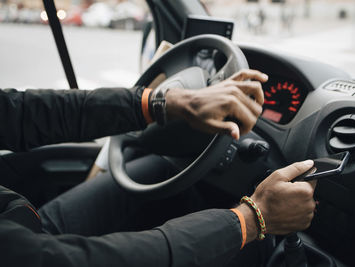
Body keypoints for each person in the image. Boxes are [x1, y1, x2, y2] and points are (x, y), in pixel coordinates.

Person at [0, 69, 316, 267]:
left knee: (155, 169)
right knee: (250, 254)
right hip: (32, 251)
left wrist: (167, 102)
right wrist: (254, 218)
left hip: (23, 223)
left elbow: (20, 112)